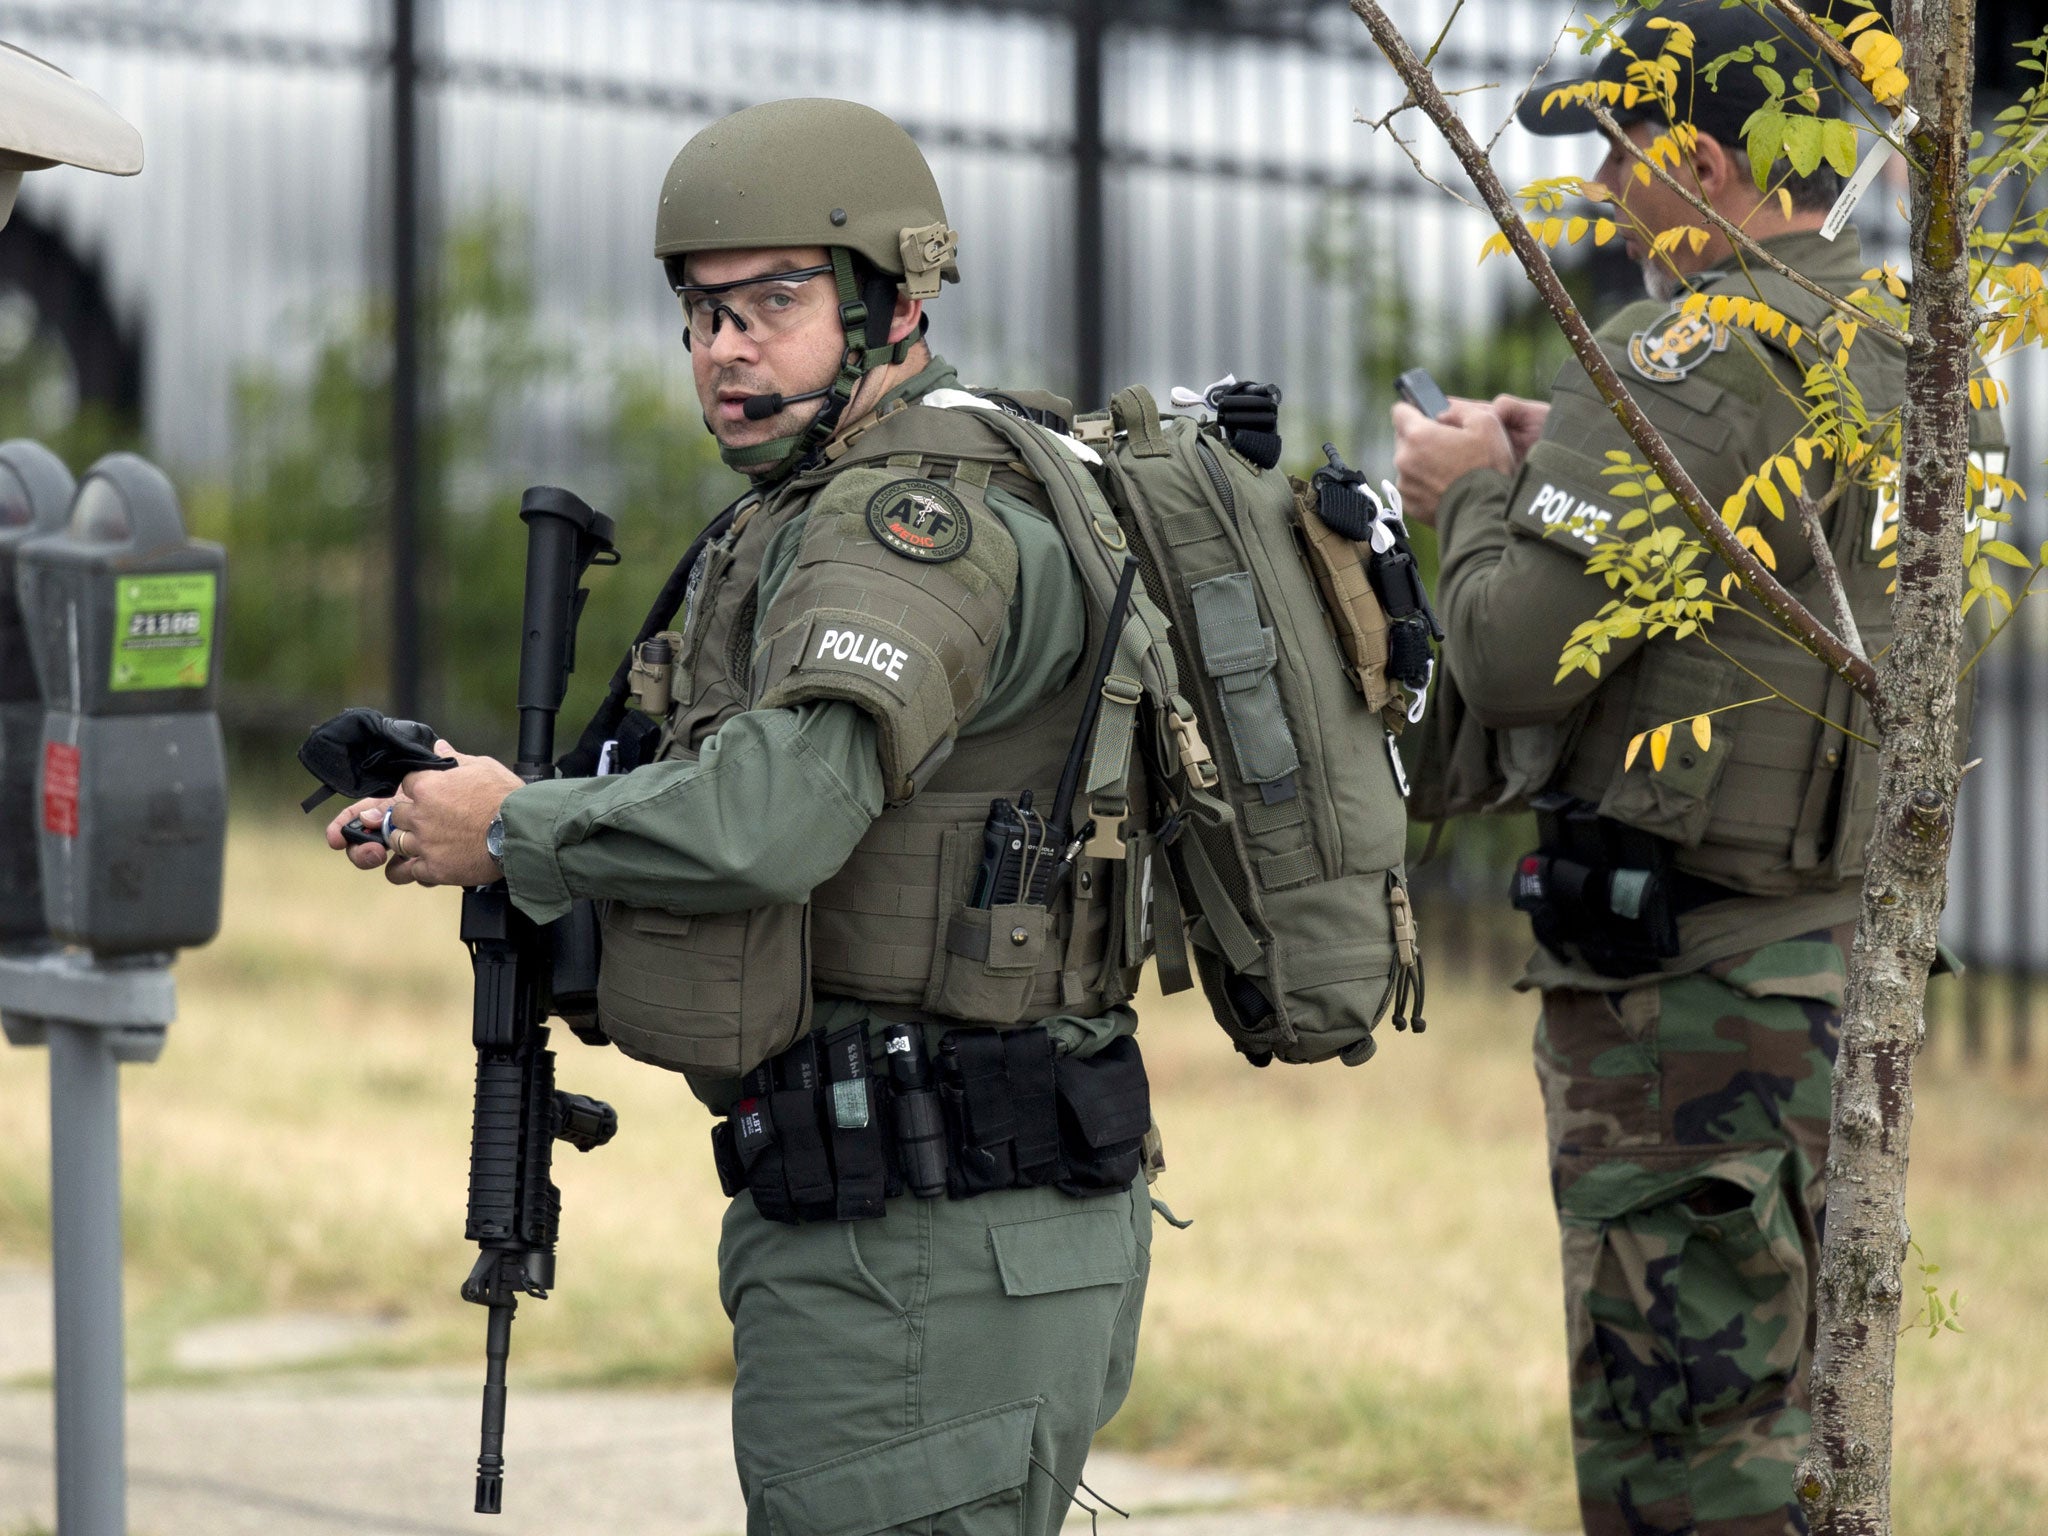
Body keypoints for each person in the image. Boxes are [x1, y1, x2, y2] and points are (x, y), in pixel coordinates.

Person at [323, 98, 1152, 1536]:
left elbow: (774, 820)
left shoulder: (908, 524)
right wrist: (477, 819)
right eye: (702, 314)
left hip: (924, 1241)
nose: (726, 349)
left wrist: (519, 831)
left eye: (774, 303)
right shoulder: (830, 500)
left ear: (894, 301)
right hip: (929, 1224)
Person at [1392, 5, 2002, 1534]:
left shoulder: (1695, 351)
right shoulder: (1900, 343)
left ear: (1707, 163)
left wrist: (1470, 498)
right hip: (1814, 968)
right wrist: (1561, 472)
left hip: (1690, 1010)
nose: (1597, 185)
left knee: (1685, 1462)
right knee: (1777, 1424)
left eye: (1613, 147)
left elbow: (1509, 655)